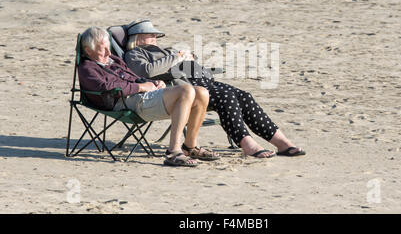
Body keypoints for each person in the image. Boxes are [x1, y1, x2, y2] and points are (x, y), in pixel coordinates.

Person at [123, 20, 306, 158]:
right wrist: (177, 56)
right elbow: (146, 71)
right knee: (226, 97)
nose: (155, 38)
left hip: (203, 80)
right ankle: (246, 143)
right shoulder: (135, 54)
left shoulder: (165, 50)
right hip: (187, 89)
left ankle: (281, 142)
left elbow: (187, 61)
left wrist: (188, 57)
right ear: (137, 39)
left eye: (156, 35)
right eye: (151, 35)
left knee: (244, 96)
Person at [78, 26, 220, 167]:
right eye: (103, 49)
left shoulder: (113, 60)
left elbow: (134, 77)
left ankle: (190, 146)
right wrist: (140, 87)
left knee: (202, 92)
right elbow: (106, 89)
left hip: (142, 95)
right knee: (186, 90)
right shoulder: (88, 68)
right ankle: (173, 152)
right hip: (124, 102)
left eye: (109, 47)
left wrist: (152, 82)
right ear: (88, 50)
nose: (109, 53)